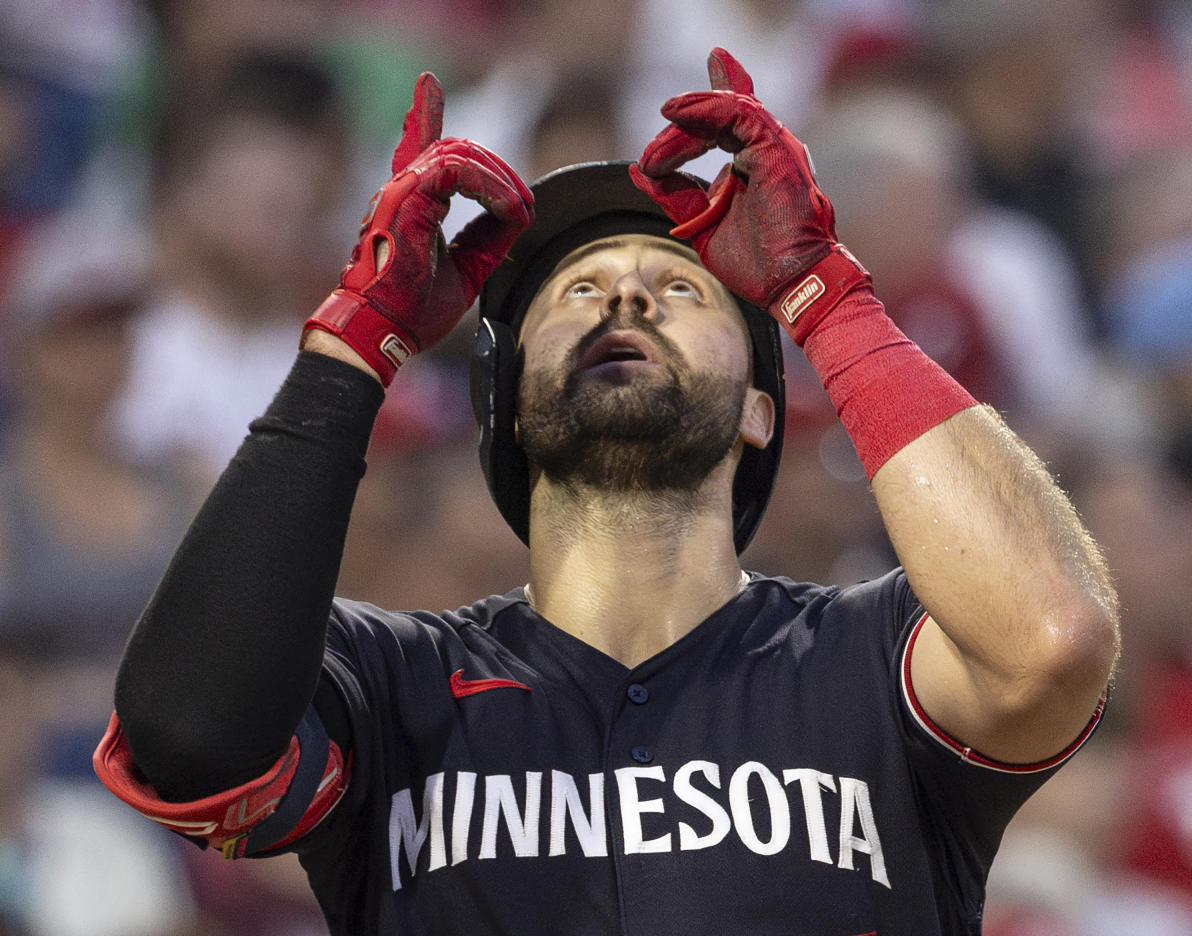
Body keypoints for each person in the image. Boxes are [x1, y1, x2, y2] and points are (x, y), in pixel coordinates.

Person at [93, 50, 1120, 935]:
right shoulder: (389, 686)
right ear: (513, 411)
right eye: (576, 292)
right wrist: (355, 343)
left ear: (763, 410)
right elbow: (187, 736)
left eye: (680, 289)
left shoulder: (874, 659)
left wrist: (830, 297)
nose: (625, 292)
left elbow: (1053, 638)